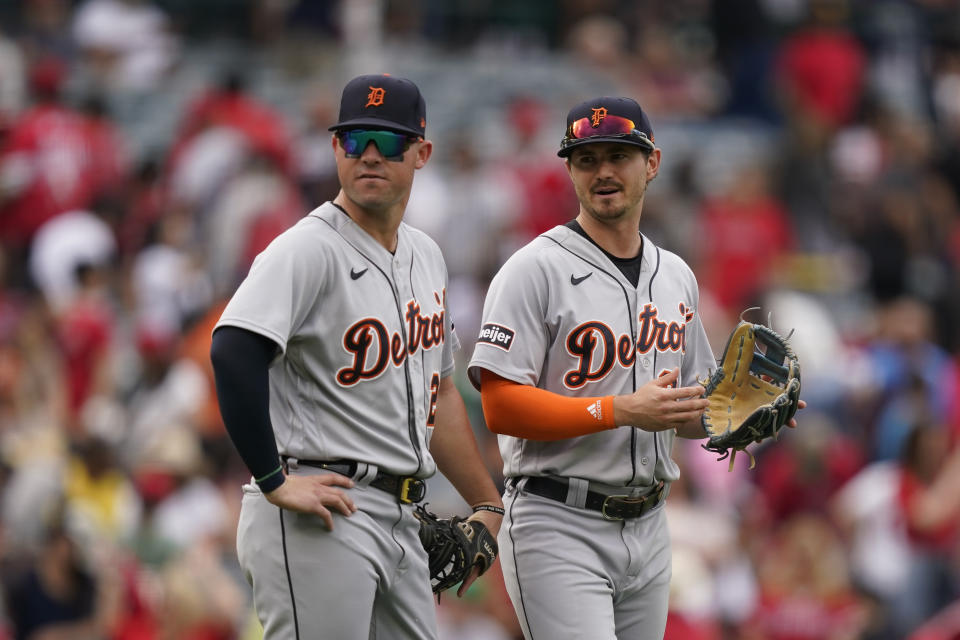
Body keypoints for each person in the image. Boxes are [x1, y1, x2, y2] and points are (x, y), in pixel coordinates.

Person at [467, 96, 801, 639]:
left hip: (650, 524)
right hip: (558, 519)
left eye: (618, 156)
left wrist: (744, 413)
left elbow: (689, 411)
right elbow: (500, 406)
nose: (602, 172)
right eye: (586, 158)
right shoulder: (532, 270)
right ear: (570, 170)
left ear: (652, 163)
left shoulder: (676, 276)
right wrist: (620, 409)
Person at [209, 73, 504, 639]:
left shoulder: (427, 256)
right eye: (354, 140)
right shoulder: (306, 249)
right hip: (319, 506)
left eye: (388, 142)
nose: (369, 155)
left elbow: (438, 394)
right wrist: (273, 480)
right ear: (334, 148)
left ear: (422, 153)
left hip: (403, 516)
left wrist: (487, 504)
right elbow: (233, 350)